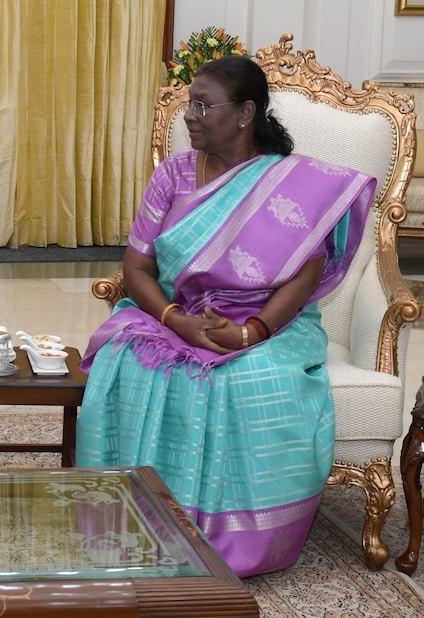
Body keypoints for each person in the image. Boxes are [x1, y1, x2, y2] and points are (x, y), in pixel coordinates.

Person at [74, 55, 376, 578]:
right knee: (132, 362)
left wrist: (251, 331)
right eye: (189, 103)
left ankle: (232, 542)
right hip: (176, 316)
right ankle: (136, 525)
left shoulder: (291, 184)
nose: (189, 115)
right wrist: (177, 320)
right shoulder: (172, 175)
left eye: (201, 105)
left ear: (245, 113)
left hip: (270, 322)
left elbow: (306, 275)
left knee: (253, 379)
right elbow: (137, 268)